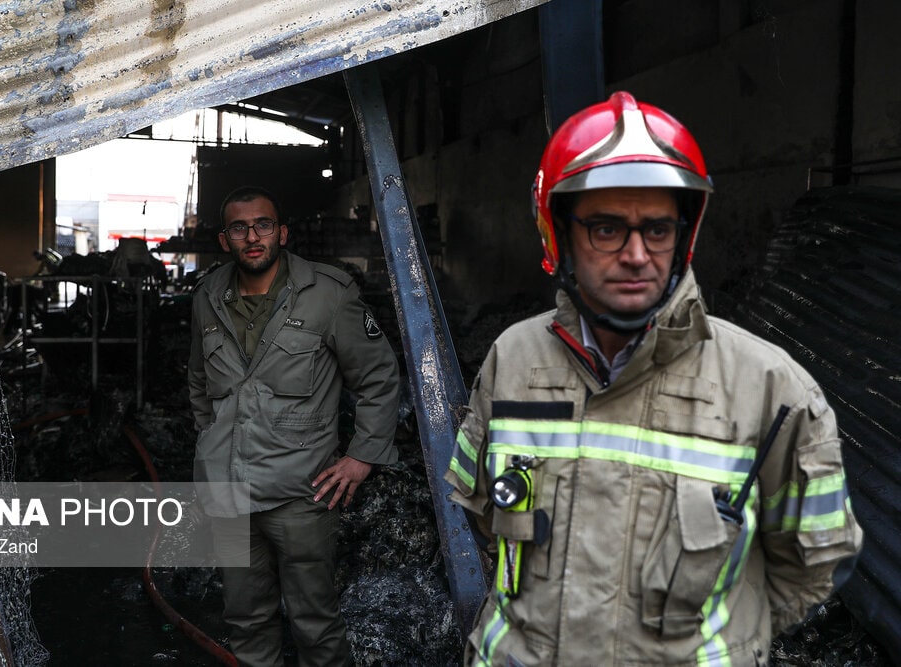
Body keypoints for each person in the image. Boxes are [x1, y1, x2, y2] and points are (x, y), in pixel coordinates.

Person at [444, 92, 862, 666]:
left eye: (658, 230)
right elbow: (481, 510)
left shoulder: (772, 389)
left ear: (683, 236)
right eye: (607, 229)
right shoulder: (512, 360)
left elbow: (813, 564)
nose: (638, 255)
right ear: (558, 233)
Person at [188, 186, 400, 666]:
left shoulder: (327, 294)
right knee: (245, 621)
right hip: (228, 493)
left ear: (282, 232)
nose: (252, 236)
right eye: (239, 228)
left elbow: (378, 376)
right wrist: (211, 440)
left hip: (301, 495)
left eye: (263, 224)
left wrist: (362, 456)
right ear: (225, 240)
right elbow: (199, 384)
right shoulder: (207, 297)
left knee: (315, 625)